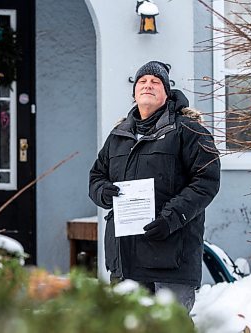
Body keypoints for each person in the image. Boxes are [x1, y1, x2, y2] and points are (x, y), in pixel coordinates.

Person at [88, 61, 221, 312]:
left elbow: (206, 181)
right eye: (142, 81)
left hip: (171, 255)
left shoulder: (189, 131)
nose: (148, 85)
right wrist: (103, 191)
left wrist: (171, 217)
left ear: (167, 93)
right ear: (134, 92)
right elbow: (96, 176)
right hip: (125, 256)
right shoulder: (118, 136)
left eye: (155, 82)